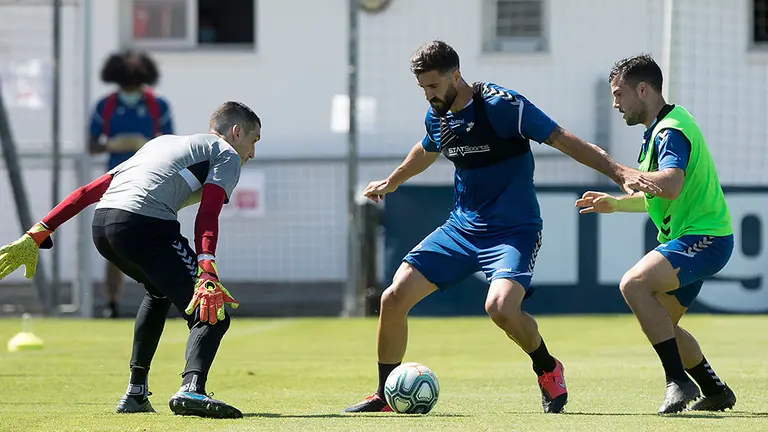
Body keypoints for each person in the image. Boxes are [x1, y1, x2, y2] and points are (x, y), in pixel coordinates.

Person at [343, 40, 660, 414]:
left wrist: (618, 171)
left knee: (501, 309)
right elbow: (425, 149)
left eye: (432, 86)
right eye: (422, 88)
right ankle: (383, 394)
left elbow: (563, 139)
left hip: (514, 230)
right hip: (461, 229)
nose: (428, 95)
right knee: (392, 299)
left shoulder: (502, 106)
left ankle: (547, 367)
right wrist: (392, 181)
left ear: (456, 76)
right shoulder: (439, 114)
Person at [0, 101, 261, 419]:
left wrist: (39, 231)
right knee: (212, 312)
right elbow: (208, 213)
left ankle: (136, 392)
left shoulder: (162, 143)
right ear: (236, 132)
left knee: (159, 292)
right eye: (253, 141)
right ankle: (191, 390)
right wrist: (207, 267)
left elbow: (90, 190)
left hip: (104, 227)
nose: (252, 153)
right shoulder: (226, 153)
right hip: (145, 225)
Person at [576, 54, 736, 414]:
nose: (615, 103)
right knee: (661, 324)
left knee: (633, 285)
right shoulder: (661, 130)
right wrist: (617, 204)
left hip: (704, 238)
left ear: (643, 89)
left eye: (619, 94)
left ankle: (677, 380)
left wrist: (631, 175)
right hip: (694, 239)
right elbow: (657, 193)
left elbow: (671, 185)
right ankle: (714, 390)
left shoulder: (669, 131)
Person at [88, 50, 174, 319]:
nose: (131, 89)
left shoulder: (158, 105)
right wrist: (113, 144)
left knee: (155, 240)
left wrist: (143, 144)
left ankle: (164, 297)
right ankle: (112, 303)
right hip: (116, 180)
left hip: (151, 179)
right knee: (114, 244)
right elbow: (92, 144)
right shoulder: (106, 106)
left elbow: (171, 144)